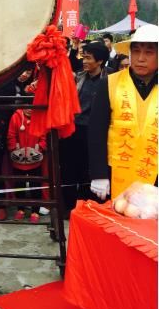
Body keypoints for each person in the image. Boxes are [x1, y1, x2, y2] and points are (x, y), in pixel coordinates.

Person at [89, 24, 158, 201]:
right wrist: (99, 174)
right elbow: (96, 131)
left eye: (149, 52)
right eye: (136, 51)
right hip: (116, 171)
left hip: (154, 173)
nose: (140, 58)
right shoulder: (109, 83)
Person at [59, 41, 110, 216]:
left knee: (90, 170)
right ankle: (68, 207)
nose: (84, 61)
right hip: (75, 130)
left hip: (96, 133)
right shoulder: (78, 77)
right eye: (84, 57)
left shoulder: (110, 81)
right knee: (69, 168)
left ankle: (89, 208)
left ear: (100, 61)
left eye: (88, 58)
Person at [8, 108, 46, 222]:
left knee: (36, 186)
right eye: (26, 106)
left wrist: (40, 147)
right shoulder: (15, 117)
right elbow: (11, 135)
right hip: (19, 159)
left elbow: (44, 135)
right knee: (19, 185)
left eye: (32, 106)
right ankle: (20, 209)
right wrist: (14, 149)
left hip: (35, 159)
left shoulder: (40, 117)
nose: (29, 109)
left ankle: (35, 211)